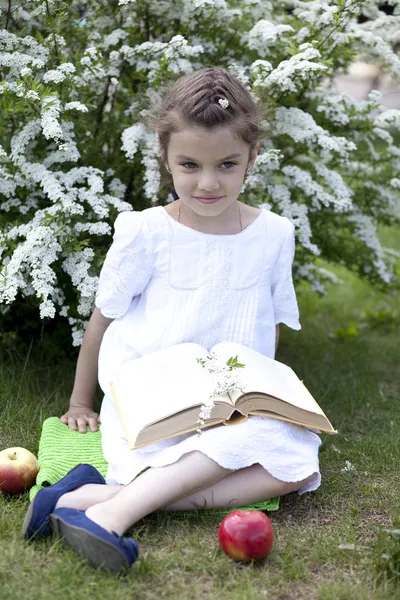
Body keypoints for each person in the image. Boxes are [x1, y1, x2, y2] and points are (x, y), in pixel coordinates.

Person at [22, 66, 321, 572]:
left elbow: (267, 322)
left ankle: (92, 499)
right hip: (152, 401)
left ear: (253, 157)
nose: (208, 182)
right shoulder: (146, 232)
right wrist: (80, 400)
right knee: (259, 452)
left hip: (229, 401)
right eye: (190, 165)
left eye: (227, 164)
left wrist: (263, 394)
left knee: (298, 461)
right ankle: (112, 517)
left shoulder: (273, 234)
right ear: (165, 157)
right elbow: (103, 319)